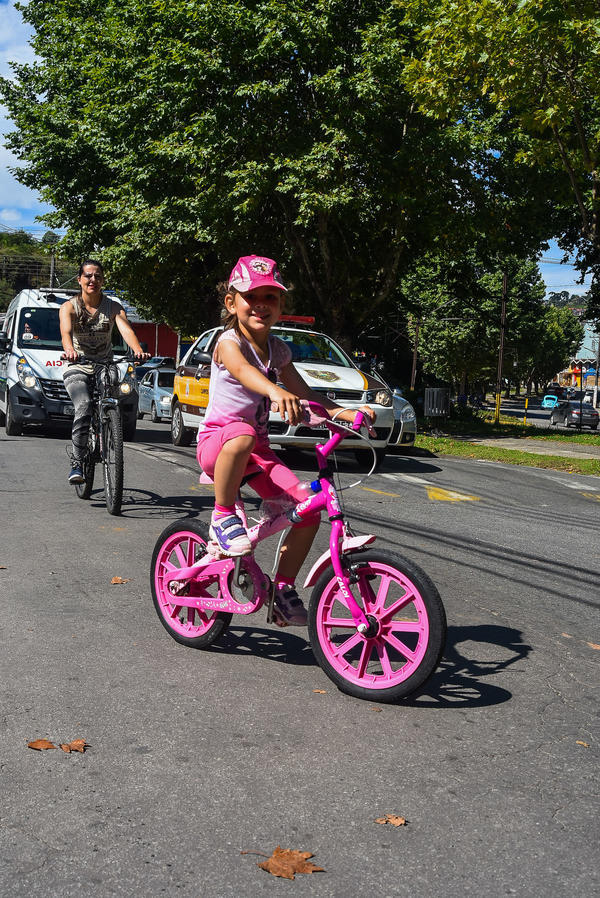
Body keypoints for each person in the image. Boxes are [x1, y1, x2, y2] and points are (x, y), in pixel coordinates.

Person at [196, 254, 375, 627]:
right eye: (250, 296)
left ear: (281, 306)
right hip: (219, 445)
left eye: (271, 297)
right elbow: (245, 373)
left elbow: (305, 392)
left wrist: (341, 413)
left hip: (255, 453)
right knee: (243, 434)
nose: (261, 304)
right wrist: (275, 393)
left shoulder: (278, 351)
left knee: (309, 507)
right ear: (231, 302)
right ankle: (222, 515)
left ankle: (282, 587)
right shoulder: (228, 343)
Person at [59, 259, 149, 484]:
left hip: (105, 364)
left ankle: (108, 428)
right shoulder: (69, 307)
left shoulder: (113, 307)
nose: (93, 280)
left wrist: (137, 350)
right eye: (88, 276)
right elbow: (66, 333)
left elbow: (126, 330)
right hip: (77, 364)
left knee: (112, 400)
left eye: (97, 276)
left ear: (103, 280)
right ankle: (77, 462)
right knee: (84, 405)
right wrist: (69, 350)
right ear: (79, 280)